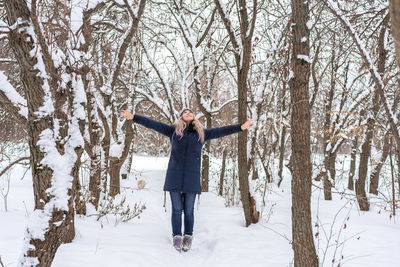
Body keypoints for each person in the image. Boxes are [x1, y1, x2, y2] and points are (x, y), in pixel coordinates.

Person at [120, 108, 253, 252]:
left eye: (190, 112)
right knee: (177, 210)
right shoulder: (173, 131)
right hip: (174, 176)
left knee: (189, 210)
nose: (188, 113)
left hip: (192, 177)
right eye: (185, 112)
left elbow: (222, 130)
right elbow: (152, 124)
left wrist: (240, 127)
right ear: (181, 117)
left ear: (194, 116)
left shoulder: (202, 134)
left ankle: (188, 237)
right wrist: (133, 117)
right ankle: (177, 236)